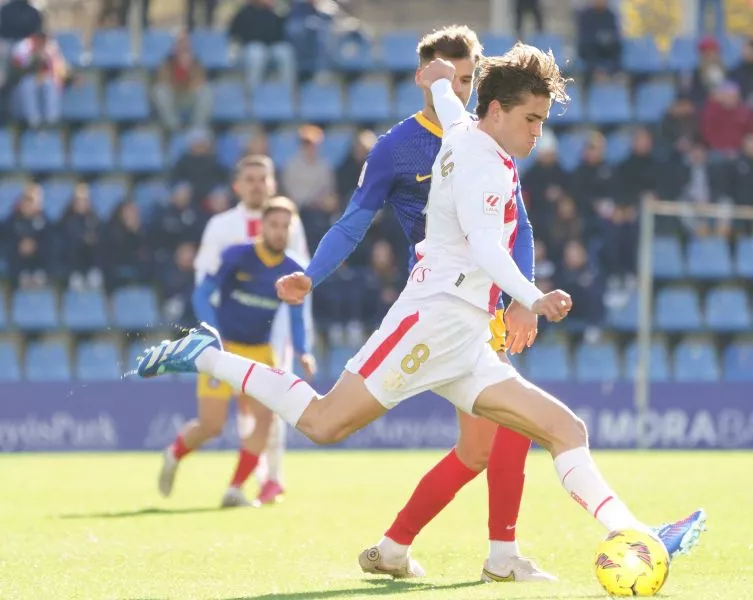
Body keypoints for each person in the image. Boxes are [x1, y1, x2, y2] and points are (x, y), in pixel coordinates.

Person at [136, 43, 707, 570]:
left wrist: (438, 81)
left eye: (543, 121)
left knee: (565, 428)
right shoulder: (483, 162)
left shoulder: (466, 130)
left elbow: (450, 106)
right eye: (531, 119)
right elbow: (487, 245)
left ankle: (636, 536)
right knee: (323, 422)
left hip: (469, 336)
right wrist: (532, 296)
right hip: (431, 320)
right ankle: (207, 355)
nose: (538, 133)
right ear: (499, 111)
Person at [294, 25, 551, 582]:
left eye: (471, 77)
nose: (464, 87)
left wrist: (521, 299)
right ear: (427, 78)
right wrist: (310, 277)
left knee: (480, 448)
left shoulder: (492, 138)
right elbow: (353, 221)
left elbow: (520, 228)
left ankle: (393, 548)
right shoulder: (399, 147)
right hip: (438, 303)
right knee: (509, 429)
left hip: (477, 303)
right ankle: (501, 558)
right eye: (455, 78)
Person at [172, 155, 315, 506]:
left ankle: (270, 479)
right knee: (220, 420)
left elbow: (303, 280)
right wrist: (212, 332)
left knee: (272, 408)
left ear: (272, 184)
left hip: (272, 328)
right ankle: (192, 459)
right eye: (249, 178)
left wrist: (302, 342)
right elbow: (205, 281)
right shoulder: (222, 227)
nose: (256, 185)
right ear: (238, 184)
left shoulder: (289, 224)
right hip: (228, 331)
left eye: (262, 178)